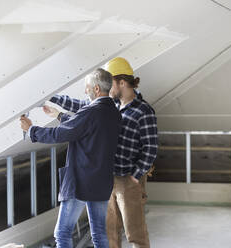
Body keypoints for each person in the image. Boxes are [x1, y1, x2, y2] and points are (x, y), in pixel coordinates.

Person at [45, 57, 158, 248]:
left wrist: (135, 176)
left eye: (110, 81)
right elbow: (80, 105)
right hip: (105, 179)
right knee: (108, 233)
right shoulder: (109, 105)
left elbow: (150, 147)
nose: (105, 86)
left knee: (135, 234)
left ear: (121, 82)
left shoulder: (144, 111)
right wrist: (52, 97)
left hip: (128, 180)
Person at [20, 68, 121, 248]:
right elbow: (85, 127)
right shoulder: (113, 112)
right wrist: (58, 115)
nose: (85, 91)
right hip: (102, 181)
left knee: (62, 232)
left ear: (96, 89)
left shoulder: (92, 112)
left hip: (82, 182)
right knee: (99, 233)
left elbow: (60, 134)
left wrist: (31, 130)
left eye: (87, 87)